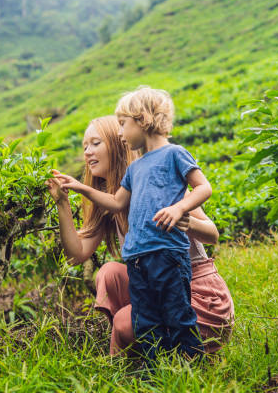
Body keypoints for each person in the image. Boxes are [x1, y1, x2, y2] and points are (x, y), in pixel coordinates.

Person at [52, 87, 218, 361]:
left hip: (195, 290)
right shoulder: (123, 188)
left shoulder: (162, 177)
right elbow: (76, 255)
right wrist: (63, 201)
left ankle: (184, 362)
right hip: (148, 272)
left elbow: (213, 234)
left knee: (135, 322)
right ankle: (144, 363)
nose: (86, 152)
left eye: (95, 143)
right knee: (111, 276)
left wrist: (181, 216)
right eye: (84, 146)